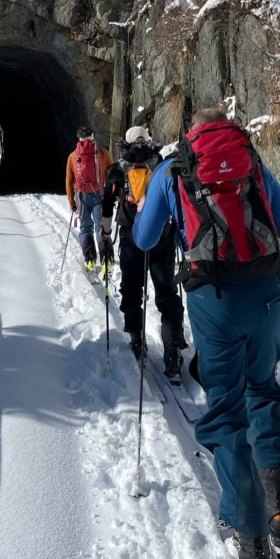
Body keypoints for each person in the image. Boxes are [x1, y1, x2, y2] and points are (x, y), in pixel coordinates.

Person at [133, 108, 280, 559]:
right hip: (269, 294)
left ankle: (249, 535)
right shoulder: (252, 162)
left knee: (227, 409)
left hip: (215, 300)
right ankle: (279, 509)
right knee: (264, 389)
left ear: (191, 133)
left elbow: (144, 237)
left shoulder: (175, 168)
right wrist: (260, 269)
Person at [102, 125, 186, 379]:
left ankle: (137, 338)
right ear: (149, 141)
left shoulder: (118, 169)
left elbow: (107, 203)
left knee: (132, 288)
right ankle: (172, 351)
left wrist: (105, 234)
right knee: (167, 293)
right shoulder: (162, 165)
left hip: (131, 237)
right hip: (162, 236)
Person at [66, 126, 113, 271]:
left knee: (86, 228)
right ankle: (107, 259)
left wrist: (71, 202)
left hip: (81, 196)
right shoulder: (103, 154)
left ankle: (90, 258)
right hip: (99, 194)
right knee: (101, 228)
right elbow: (112, 174)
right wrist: (111, 195)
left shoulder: (73, 156)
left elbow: (68, 180)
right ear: (93, 137)